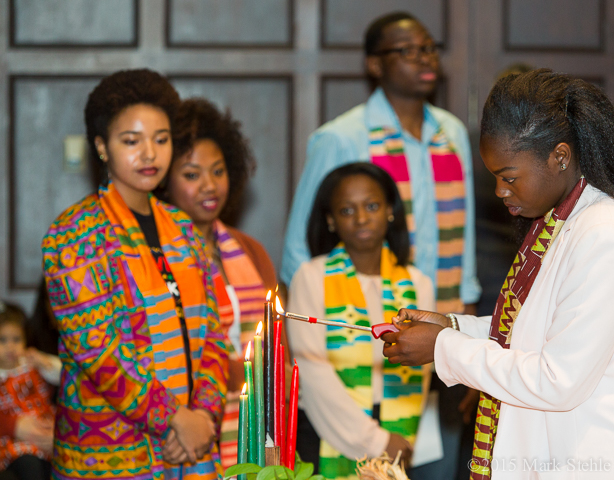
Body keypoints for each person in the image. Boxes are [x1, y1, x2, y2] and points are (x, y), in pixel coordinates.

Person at [381, 69, 614, 479]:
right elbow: (535, 331)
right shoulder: (557, 223)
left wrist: (444, 347)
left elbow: (557, 377)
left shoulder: (606, 232)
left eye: (508, 176)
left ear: (560, 157)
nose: (499, 191)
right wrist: (454, 326)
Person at [281, 13, 480, 476]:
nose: (423, 58)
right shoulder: (342, 137)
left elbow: (463, 242)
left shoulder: (451, 134)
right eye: (406, 50)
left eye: (429, 47)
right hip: (358, 341)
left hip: (442, 334)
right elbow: (298, 252)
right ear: (374, 64)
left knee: (434, 467)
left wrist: (467, 343)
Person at [41, 69, 228, 480]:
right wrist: (174, 419)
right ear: (101, 147)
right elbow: (99, 352)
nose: (150, 154)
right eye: (132, 141)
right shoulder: (75, 234)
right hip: (112, 455)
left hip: (192, 449)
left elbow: (215, 332)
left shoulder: (183, 228)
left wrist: (202, 417)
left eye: (161, 140)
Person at [286, 163, 435, 479]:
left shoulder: (418, 283)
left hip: (399, 430)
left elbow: (421, 370)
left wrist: (396, 440)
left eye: (371, 206)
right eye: (346, 210)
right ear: (330, 220)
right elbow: (312, 372)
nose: (362, 218)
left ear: (390, 210)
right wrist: (376, 441)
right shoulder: (311, 278)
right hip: (328, 429)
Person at [161, 97, 277, 469]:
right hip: (184, 434)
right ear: (163, 180)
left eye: (218, 171)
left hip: (255, 432)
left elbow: (277, 350)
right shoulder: (155, 256)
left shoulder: (250, 251)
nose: (209, 186)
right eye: (192, 175)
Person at [0, 300, 60, 480]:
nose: (10, 346)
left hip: (47, 440)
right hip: (15, 444)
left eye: (16, 339)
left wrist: (44, 361)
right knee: (30, 468)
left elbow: (65, 375)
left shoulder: (30, 365)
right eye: (2, 340)